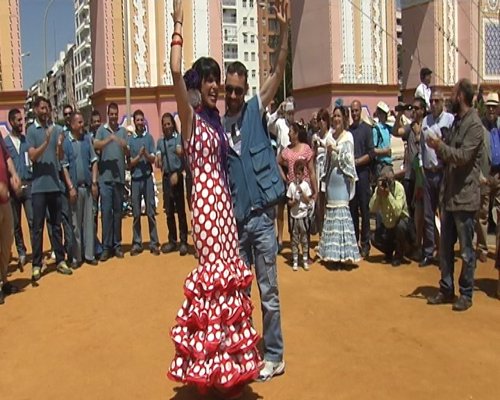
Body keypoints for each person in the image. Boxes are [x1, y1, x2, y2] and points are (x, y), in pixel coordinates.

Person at [166, 0, 262, 394]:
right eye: (207, 79)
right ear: (197, 85)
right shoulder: (189, 117)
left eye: (216, 80)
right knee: (213, 282)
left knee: (230, 281)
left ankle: (229, 366)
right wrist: (177, 25)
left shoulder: (217, 121)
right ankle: (208, 368)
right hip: (205, 208)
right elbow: (174, 70)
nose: (214, 86)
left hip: (223, 205)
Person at [222, 0, 289, 382]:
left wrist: (284, 31)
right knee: (240, 295)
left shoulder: (254, 109)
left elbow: (278, 70)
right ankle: (247, 351)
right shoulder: (218, 127)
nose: (233, 96)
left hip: (262, 220)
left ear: (245, 90)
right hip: (236, 225)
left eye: (237, 90)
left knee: (269, 292)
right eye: (228, 90)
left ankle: (275, 355)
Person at [426, 79, 484, 312]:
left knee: (467, 250)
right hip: (449, 195)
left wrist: (439, 146)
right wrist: (438, 146)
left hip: (465, 197)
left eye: (452, 93)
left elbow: (462, 157)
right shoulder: (458, 122)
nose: (450, 97)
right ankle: (446, 288)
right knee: (446, 247)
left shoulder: (474, 125)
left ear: (460, 96)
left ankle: (466, 293)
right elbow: (449, 155)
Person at [27, 96, 73, 281]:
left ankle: (60, 260)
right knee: (37, 227)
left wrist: (59, 144)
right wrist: (46, 142)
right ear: (36, 110)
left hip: (55, 185)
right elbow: (32, 156)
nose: (45, 111)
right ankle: (36, 264)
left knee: (56, 225)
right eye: (42, 108)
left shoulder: (57, 129)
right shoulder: (31, 131)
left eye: (47, 108)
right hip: (38, 187)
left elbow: (60, 157)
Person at [318, 106, 360, 266]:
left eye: (338, 116)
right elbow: (326, 161)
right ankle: (332, 255)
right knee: (331, 213)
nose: (336, 119)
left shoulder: (348, 136)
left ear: (344, 118)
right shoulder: (330, 136)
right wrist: (329, 151)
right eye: (334, 116)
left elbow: (349, 158)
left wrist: (335, 149)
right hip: (332, 180)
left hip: (343, 181)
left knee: (342, 212)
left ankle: (345, 254)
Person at [420, 91, 454, 266]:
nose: (433, 104)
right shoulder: (425, 121)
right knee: (428, 214)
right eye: (431, 100)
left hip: (442, 173)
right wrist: (421, 165)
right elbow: (421, 146)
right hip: (427, 173)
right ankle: (429, 251)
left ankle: (444, 253)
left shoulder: (450, 120)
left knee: (444, 216)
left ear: (443, 102)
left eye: (436, 101)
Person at [61, 111, 99, 267]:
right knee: (75, 224)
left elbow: (94, 161)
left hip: (87, 188)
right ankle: (77, 257)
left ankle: (89, 255)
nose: (82, 125)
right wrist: (70, 187)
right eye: (79, 122)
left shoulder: (87, 140)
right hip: (75, 190)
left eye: (83, 122)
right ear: (72, 125)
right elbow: (64, 167)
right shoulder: (67, 143)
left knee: (89, 222)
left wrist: (94, 182)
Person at [94, 102, 129, 261]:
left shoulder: (123, 131)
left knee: (118, 213)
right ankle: (106, 247)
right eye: (111, 114)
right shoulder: (102, 131)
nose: (114, 117)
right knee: (106, 213)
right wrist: (109, 139)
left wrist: (124, 145)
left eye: (116, 114)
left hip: (119, 179)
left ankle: (117, 245)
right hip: (105, 179)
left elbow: (127, 151)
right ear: (108, 114)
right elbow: (96, 144)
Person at [277, 122, 318, 247]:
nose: (288, 134)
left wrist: (315, 190)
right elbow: (277, 161)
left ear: (296, 133)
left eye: (290, 131)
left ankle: (306, 250)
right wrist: (285, 178)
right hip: (293, 189)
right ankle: (294, 249)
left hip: (305, 189)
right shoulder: (286, 151)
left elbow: (311, 171)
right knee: (293, 220)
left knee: (305, 220)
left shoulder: (305, 148)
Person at [127, 109, 160, 256]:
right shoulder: (130, 140)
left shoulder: (149, 138)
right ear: (134, 122)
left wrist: (145, 154)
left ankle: (154, 243)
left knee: (150, 212)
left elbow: (153, 159)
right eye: (137, 120)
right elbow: (129, 164)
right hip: (135, 179)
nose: (140, 122)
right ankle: (137, 243)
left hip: (147, 178)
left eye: (142, 120)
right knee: (136, 213)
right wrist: (138, 156)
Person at [156, 112, 188, 256]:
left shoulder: (178, 138)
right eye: (164, 124)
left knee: (180, 210)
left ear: (173, 125)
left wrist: (178, 172)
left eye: (169, 124)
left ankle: (183, 241)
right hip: (166, 178)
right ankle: (172, 240)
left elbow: (184, 158)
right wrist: (158, 160)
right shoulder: (160, 142)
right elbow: (158, 158)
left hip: (177, 176)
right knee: (168, 211)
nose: (167, 126)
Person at [369, 166, 415, 266]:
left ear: (393, 178)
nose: (387, 183)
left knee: (400, 226)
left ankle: (399, 255)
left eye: (388, 180)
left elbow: (397, 212)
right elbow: (372, 209)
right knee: (374, 238)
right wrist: (377, 194)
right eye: (384, 180)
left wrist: (388, 195)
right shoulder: (379, 189)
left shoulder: (399, 188)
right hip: (388, 224)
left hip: (400, 222)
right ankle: (388, 253)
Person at [5, 108, 33, 271]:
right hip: (13, 189)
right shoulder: (6, 144)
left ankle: (36, 251)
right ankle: (21, 252)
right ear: (11, 122)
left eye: (22, 119)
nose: (21, 123)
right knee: (16, 224)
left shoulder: (26, 141)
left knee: (32, 220)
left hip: (28, 185)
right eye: (18, 120)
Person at [476, 92, 500, 265]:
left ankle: (499, 251)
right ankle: (482, 248)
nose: (491, 109)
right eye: (489, 106)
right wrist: (480, 176)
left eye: (494, 107)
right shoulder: (479, 127)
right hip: (485, 175)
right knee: (482, 214)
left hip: (499, 175)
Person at [349, 100, 374, 258]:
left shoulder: (367, 130)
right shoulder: (348, 131)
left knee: (364, 210)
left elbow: (371, 153)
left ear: (360, 111)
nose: (354, 113)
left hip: (363, 174)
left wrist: (357, 161)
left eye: (356, 110)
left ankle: (365, 243)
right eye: (352, 111)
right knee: (352, 210)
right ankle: (354, 243)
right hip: (351, 176)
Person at [0, 134, 21, 304]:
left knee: (7, 240)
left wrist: (13, 174)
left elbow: (6, 156)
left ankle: (3, 279)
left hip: (5, 198)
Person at [287, 160, 313, 271]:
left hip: (303, 216)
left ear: (303, 174)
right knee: (294, 239)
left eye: (299, 174)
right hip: (294, 217)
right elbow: (289, 202)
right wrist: (294, 201)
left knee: (304, 239)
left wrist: (302, 193)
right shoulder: (291, 186)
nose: (297, 176)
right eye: (296, 174)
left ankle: (305, 259)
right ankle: (295, 260)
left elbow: (309, 200)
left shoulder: (305, 185)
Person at [311, 108, 333, 236]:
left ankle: (329, 233)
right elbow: (312, 156)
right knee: (319, 204)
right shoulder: (315, 136)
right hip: (318, 170)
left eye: (324, 119)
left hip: (328, 170)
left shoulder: (331, 135)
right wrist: (315, 147)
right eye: (319, 119)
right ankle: (321, 234)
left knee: (328, 202)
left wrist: (323, 145)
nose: (321, 122)